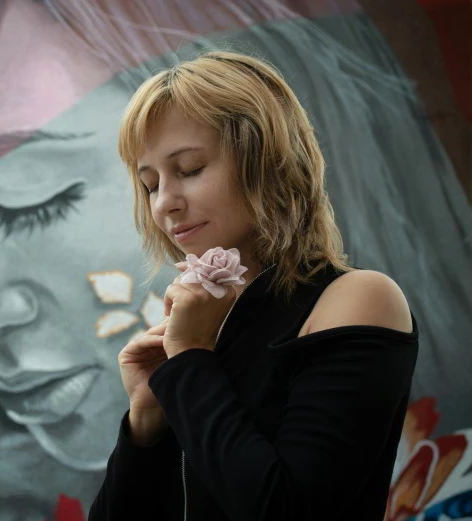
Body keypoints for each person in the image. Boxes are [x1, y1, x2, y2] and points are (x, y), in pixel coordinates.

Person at [89, 51, 418, 521]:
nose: (165, 204)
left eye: (188, 169)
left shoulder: (357, 298)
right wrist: (144, 424)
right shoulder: (199, 326)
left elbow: (286, 511)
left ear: (267, 159)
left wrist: (189, 362)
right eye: (150, 184)